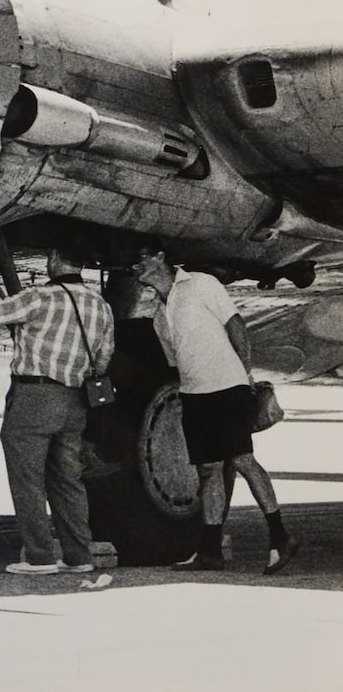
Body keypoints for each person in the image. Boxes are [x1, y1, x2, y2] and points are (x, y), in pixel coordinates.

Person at [132, 238, 299, 574]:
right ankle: (209, 550)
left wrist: (244, 374)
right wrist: (186, 391)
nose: (136, 268)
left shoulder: (201, 284)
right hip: (195, 395)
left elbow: (235, 326)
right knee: (208, 471)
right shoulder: (159, 315)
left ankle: (281, 536)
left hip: (227, 388)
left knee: (242, 460)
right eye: (133, 264)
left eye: (141, 260)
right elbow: (176, 360)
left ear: (161, 257)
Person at [0, 243, 113, 575]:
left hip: (34, 395)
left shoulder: (40, 296)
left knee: (28, 479)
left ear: (53, 258)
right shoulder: (100, 306)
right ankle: (79, 556)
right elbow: (105, 359)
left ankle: (39, 557)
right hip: (74, 399)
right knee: (68, 480)